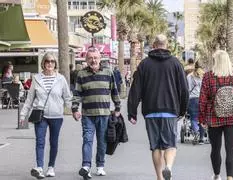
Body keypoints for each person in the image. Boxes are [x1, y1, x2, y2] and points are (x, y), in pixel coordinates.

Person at [128, 34, 189, 180]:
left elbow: (136, 89)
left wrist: (132, 112)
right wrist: (182, 110)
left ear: (154, 45)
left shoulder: (144, 64)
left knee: (155, 146)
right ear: (166, 45)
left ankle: (159, 177)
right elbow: (184, 89)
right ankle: (168, 167)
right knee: (170, 145)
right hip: (170, 110)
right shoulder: (175, 63)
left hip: (150, 111)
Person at [19, 52, 72, 179]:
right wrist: (23, 115)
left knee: (53, 142)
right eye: (47, 61)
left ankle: (51, 167)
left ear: (55, 64)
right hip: (40, 114)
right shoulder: (36, 78)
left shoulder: (61, 79)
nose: (50, 64)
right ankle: (39, 168)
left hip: (56, 115)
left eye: (52, 62)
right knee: (40, 141)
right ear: (43, 63)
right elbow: (29, 99)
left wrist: (74, 110)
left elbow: (67, 97)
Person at [199, 50, 233, 180]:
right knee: (230, 149)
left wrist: (201, 117)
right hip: (232, 119)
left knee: (215, 149)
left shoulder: (208, 77)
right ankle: (230, 178)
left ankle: (216, 175)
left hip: (213, 117)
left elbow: (203, 99)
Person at [72, 47, 121, 179]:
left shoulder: (108, 72)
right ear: (86, 59)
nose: (93, 60)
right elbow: (77, 93)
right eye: (90, 58)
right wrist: (75, 109)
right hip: (87, 114)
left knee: (102, 141)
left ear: (100, 59)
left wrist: (117, 107)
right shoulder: (81, 74)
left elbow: (114, 91)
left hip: (104, 113)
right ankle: (86, 166)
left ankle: (100, 166)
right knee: (87, 140)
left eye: (95, 58)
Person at [187, 61, 205, 144]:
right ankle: (201, 138)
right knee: (202, 119)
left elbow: (187, 89)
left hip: (192, 99)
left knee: (193, 118)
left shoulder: (189, 76)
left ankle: (196, 132)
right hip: (202, 99)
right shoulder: (205, 76)